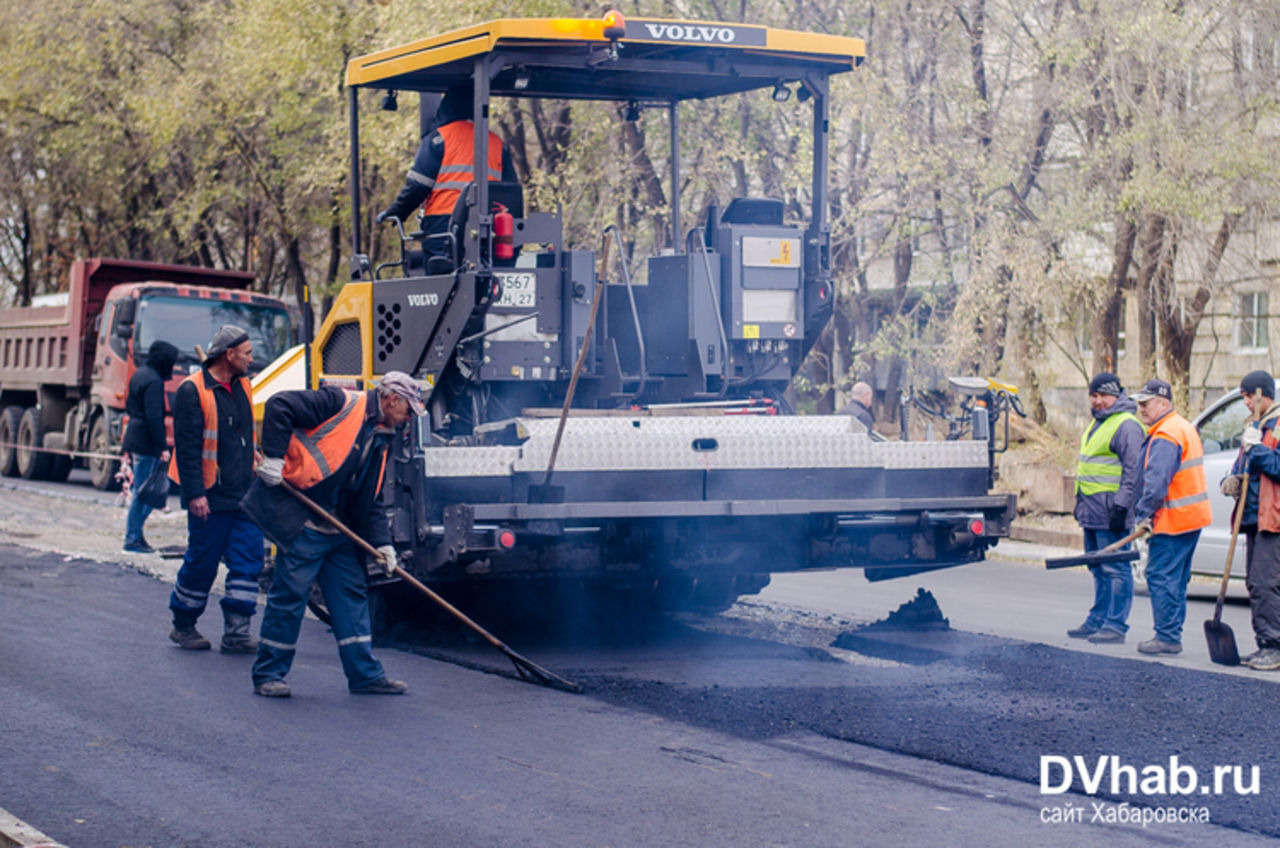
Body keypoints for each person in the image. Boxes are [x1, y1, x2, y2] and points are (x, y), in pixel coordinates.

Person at [245, 371, 426, 698]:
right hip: (305, 520)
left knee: (351, 596)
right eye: (407, 411)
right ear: (391, 400)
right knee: (290, 597)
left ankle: (365, 675)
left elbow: (369, 500)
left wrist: (383, 544)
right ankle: (269, 673)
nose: (408, 419)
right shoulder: (340, 403)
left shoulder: (381, 437)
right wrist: (272, 456)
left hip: (339, 528)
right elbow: (279, 404)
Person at [166, 326, 264, 653]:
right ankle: (183, 624)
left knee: (248, 560)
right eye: (247, 353)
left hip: (244, 495)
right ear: (229, 355)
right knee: (202, 564)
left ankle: (237, 632)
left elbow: (243, 435)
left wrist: (256, 459)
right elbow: (189, 448)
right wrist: (195, 494)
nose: (252, 359)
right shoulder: (192, 391)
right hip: (210, 496)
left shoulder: (244, 386)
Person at [1129, 378, 1212, 655]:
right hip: (1192, 517)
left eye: (1146, 403)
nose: (1141, 408)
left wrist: (1143, 515)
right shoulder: (1183, 426)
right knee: (1176, 577)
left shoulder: (1166, 435)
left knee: (1160, 574)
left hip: (1173, 519)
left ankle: (1167, 637)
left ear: (1163, 403)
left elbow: (1156, 483)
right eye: (1139, 403)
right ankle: (1171, 633)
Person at [376, 84, 518, 240]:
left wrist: (397, 212)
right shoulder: (497, 143)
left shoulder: (438, 139)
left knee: (439, 262)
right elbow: (511, 191)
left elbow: (417, 187)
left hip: (443, 225)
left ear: (446, 106)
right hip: (488, 226)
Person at [1066, 372, 1145, 644]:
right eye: (1094, 395)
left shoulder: (1126, 425)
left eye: (1103, 395)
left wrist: (1121, 508)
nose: (1098, 401)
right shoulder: (1099, 423)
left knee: (1116, 569)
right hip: (1092, 510)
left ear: (1117, 395)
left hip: (1112, 512)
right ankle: (1097, 619)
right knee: (1097, 567)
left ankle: (1115, 625)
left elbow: (1133, 472)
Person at [1222, 370, 1280, 671]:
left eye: (1248, 395)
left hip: (1274, 519)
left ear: (1262, 394)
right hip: (1253, 517)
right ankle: (1264, 645)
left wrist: (1257, 451)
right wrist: (1231, 477)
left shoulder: (1279, 425)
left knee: (1265, 584)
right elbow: (1244, 464)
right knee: (1255, 583)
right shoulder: (1255, 426)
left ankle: (1273, 646)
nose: (1245, 401)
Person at [122, 339, 179, 553]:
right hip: (147, 441)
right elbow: (155, 417)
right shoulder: (154, 381)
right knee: (144, 493)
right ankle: (132, 538)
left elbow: (131, 406)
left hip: (136, 435)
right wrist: (163, 447)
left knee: (142, 490)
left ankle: (136, 536)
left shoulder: (139, 374)